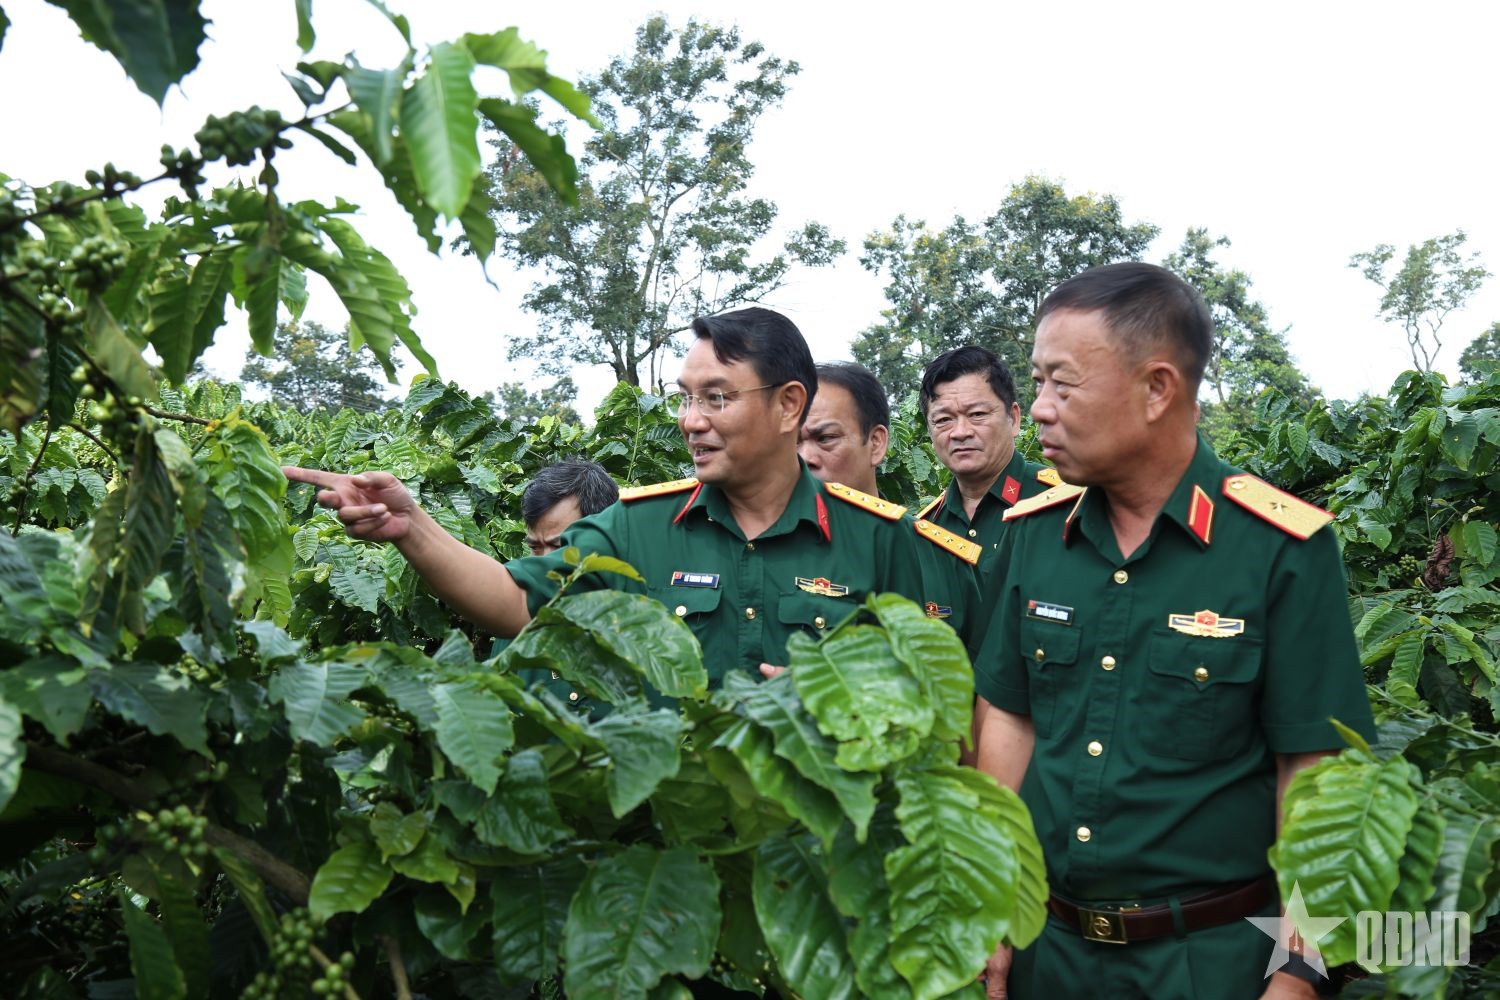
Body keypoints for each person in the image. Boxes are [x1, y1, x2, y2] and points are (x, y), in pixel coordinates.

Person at [972, 263, 1375, 999]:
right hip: (1048, 953)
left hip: (1207, 961)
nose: (1038, 410)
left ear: (1157, 388)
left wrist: (1301, 970)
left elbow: (1316, 771)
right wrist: (989, 914)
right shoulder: (1032, 536)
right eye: (1036, 384)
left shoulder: (1278, 548)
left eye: (1062, 385)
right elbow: (1008, 715)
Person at [285, 307, 930, 689]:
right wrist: (411, 527)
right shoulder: (635, 527)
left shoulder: (877, 538)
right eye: (685, 396)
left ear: (790, 404)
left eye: (717, 398)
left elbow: (925, 692)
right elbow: (519, 602)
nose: (691, 420)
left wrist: (843, 698)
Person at [798, 360, 983, 656]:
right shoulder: (764, 551)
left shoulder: (944, 561)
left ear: (876, 444)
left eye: (825, 439)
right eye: (792, 442)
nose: (805, 457)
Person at [917, 346, 1060, 592]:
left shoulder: (1066, 505)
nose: (961, 432)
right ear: (930, 433)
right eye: (943, 420)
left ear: (1013, 419)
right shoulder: (925, 530)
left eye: (977, 414)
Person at [492, 460, 618, 710]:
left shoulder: (640, 619)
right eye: (535, 547)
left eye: (560, 548)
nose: (545, 566)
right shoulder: (517, 623)